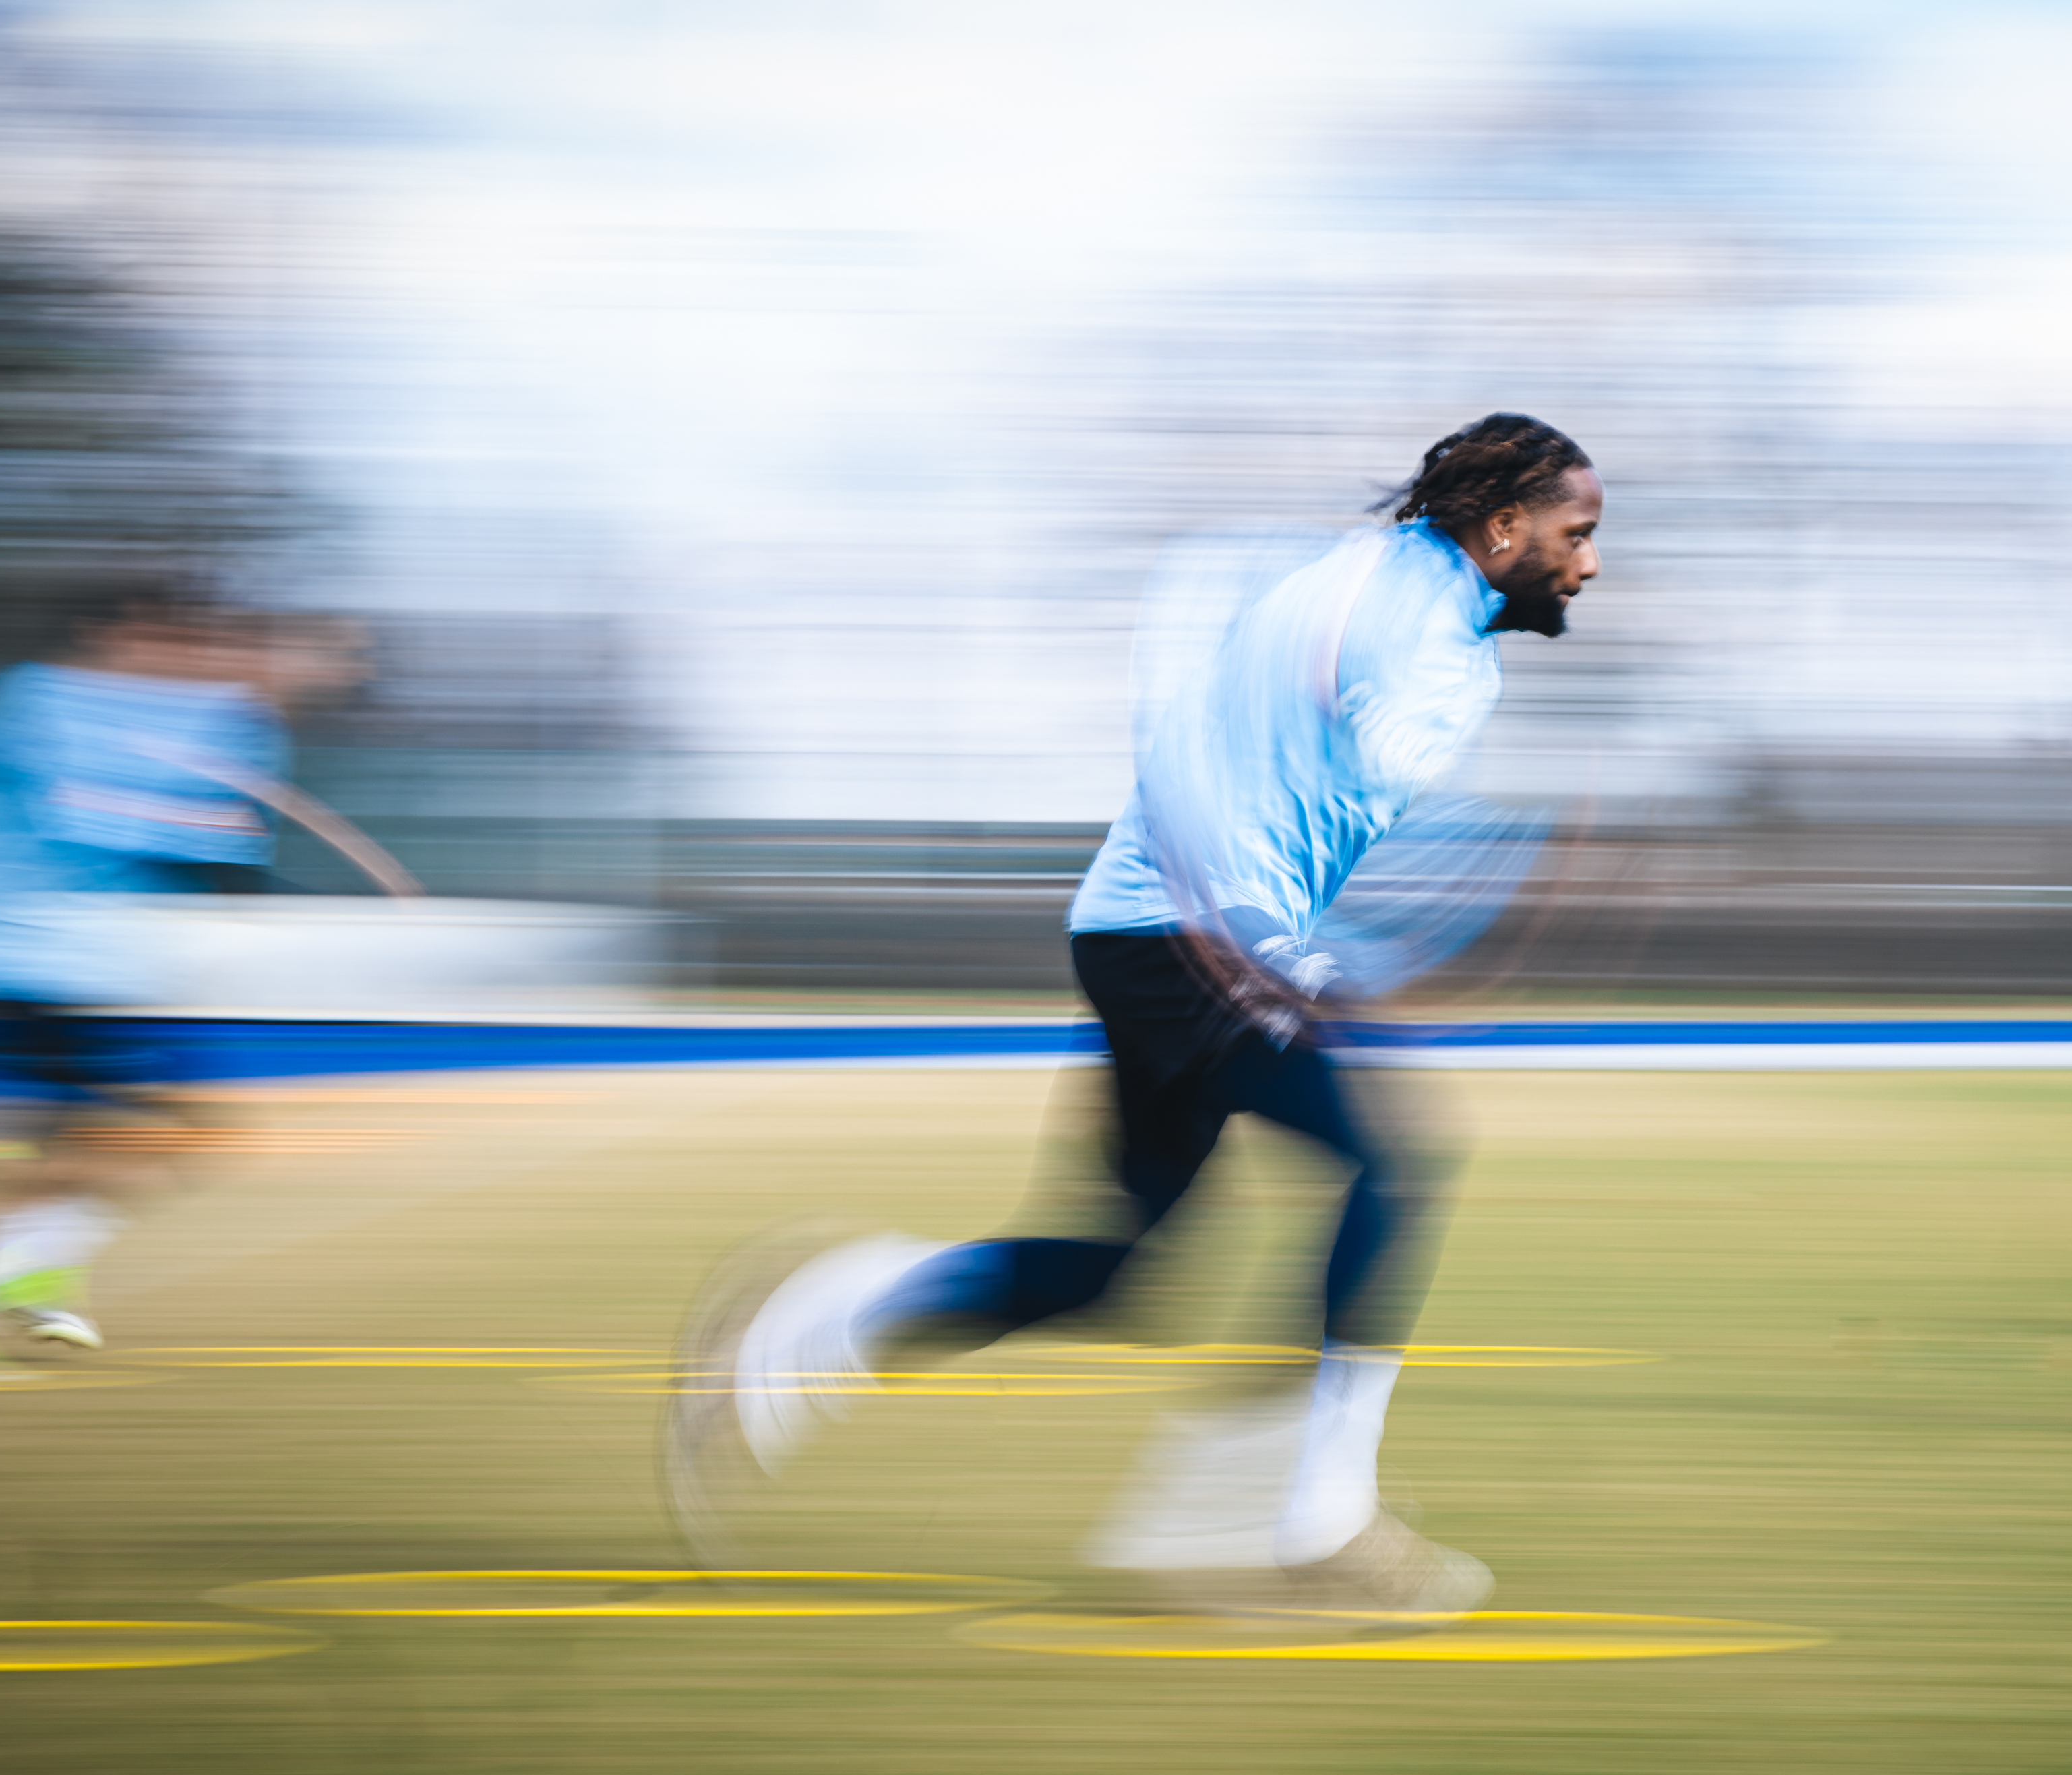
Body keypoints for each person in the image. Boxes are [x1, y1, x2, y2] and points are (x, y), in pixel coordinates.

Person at [670, 414, 1601, 1611]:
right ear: (1505, 523)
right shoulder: (1396, 612)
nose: (1587, 563)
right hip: (1188, 943)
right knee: (1390, 1168)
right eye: (1577, 533)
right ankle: (1311, 1516)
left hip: (1160, 935)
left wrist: (1359, 927)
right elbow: (1211, 750)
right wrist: (1252, 934)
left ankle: (823, 1316)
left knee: (1116, 1270)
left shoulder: (1401, 604)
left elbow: (1274, 731)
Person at [0, 583, 293, 1362]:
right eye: (170, 635)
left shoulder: (184, 713)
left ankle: (10, 1279)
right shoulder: (45, 702)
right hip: (20, 961)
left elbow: (211, 848)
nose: (187, 652)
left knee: (93, 1135)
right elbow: (112, 819)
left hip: (62, 966)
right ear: (112, 635)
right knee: (164, 1131)